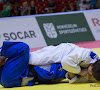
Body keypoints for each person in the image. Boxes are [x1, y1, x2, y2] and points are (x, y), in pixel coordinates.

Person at [0, 41, 100, 88]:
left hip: (13, 77)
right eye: (90, 72)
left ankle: (3, 55)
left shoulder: (83, 70)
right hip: (15, 78)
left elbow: (72, 79)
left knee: (23, 48)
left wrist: (81, 73)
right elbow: (67, 62)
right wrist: (81, 71)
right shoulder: (85, 57)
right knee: (28, 54)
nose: (89, 76)